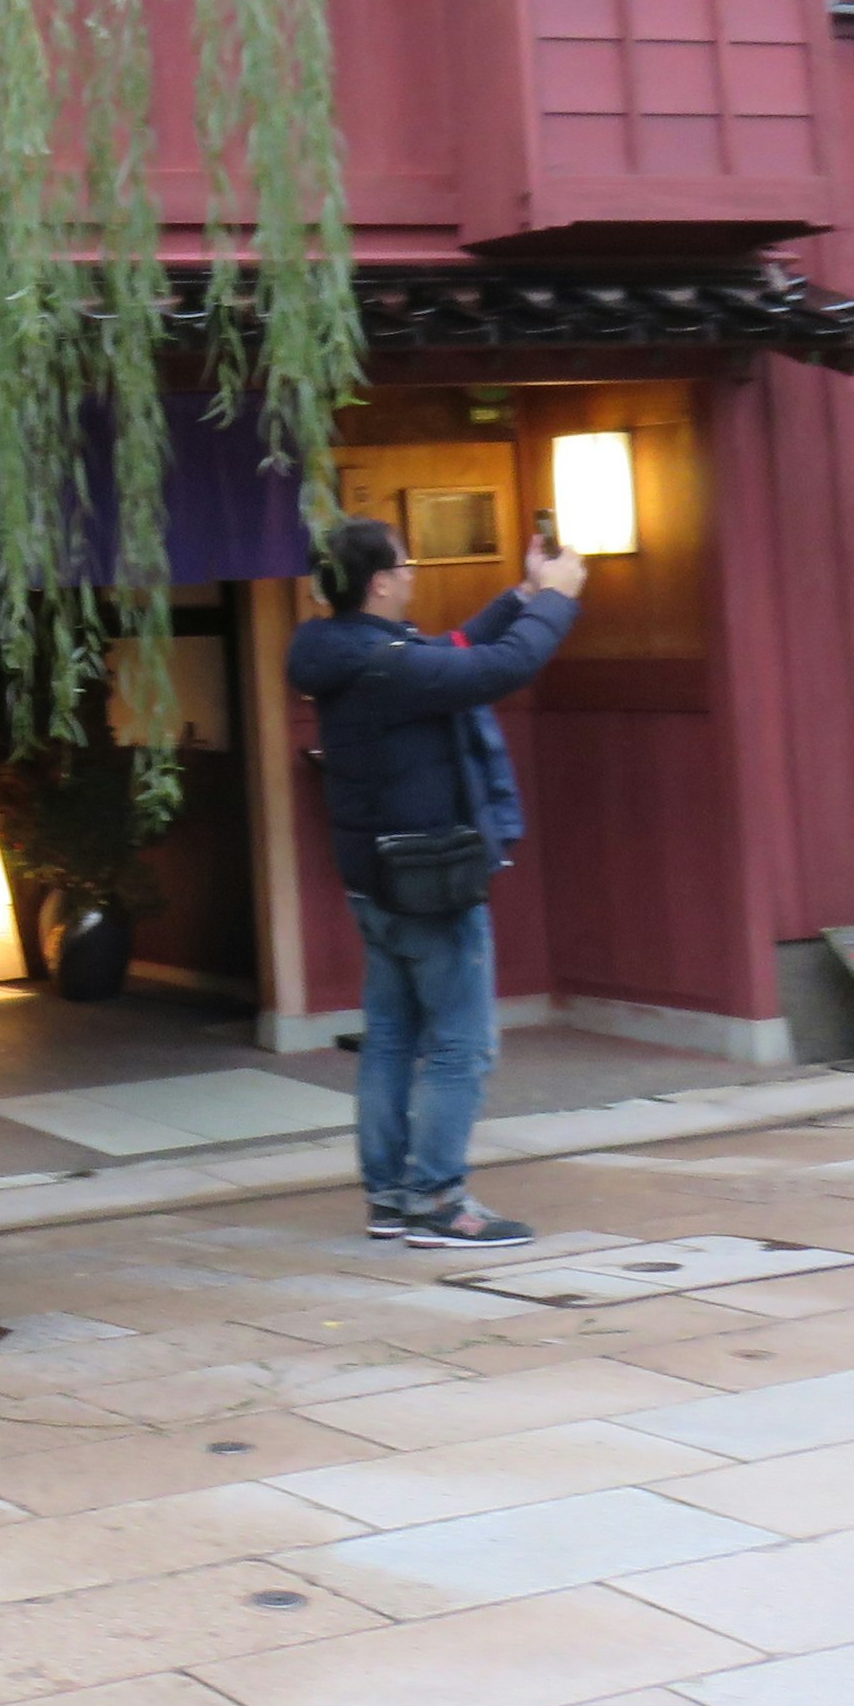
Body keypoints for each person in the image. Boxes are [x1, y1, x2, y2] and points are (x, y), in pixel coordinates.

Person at [290, 515, 585, 1249]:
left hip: (376, 881)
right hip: (428, 884)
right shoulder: (386, 665)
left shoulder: (352, 652)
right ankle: (438, 1200)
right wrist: (559, 600)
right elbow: (497, 670)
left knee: (392, 1038)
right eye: (407, 563)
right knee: (462, 1045)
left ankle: (391, 1196)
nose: (415, 574)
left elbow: (455, 648)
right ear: (381, 582)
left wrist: (522, 591)